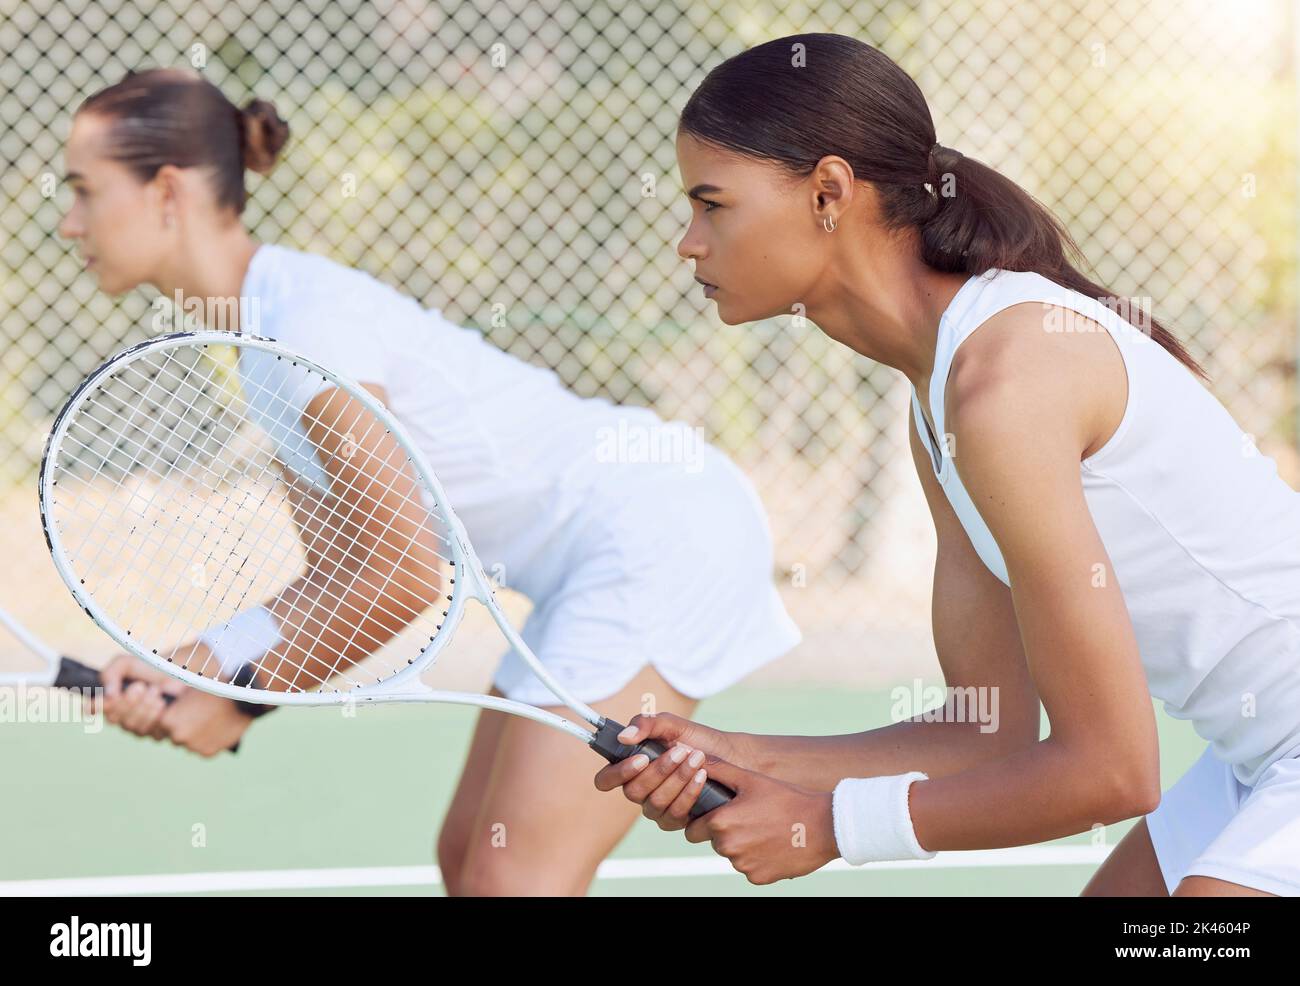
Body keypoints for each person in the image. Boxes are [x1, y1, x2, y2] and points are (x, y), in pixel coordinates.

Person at [56, 66, 801, 896]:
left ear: (166, 192)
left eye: (85, 191)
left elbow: (405, 576)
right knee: (470, 863)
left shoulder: (307, 325)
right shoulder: (263, 335)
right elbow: (341, 574)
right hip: (602, 557)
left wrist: (238, 700)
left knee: (507, 876)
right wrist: (199, 664)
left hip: (660, 533)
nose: (67, 223)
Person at [595, 33, 1300, 897]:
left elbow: (1112, 773)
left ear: (828, 193)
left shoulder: (1005, 382)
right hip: (1262, 754)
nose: (689, 242)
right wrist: (734, 754)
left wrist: (829, 827)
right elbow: (989, 732)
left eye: (712, 204)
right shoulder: (941, 407)